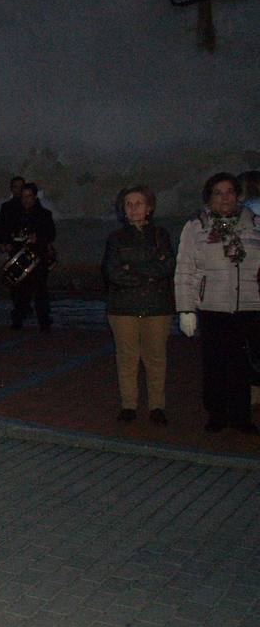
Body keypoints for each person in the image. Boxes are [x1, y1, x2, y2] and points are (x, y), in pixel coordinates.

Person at [175, 172, 260, 433]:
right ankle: (217, 414)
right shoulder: (197, 226)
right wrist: (186, 309)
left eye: (230, 192)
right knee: (215, 364)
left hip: (248, 306)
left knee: (243, 365)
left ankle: (242, 416)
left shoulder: (254, 223)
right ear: (209, 198)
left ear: (238, 195)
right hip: (213, 306)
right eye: (218, 193)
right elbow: (185, 269)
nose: (225, 198)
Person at [102, 186, 175, 425]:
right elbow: (113, 272)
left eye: (138, 203)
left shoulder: (160, 235)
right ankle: (129, 405)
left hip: (156, 305)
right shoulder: (116, 238)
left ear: (149, 207)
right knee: (127, 357)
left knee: (156, 357)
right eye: (128, 204)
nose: (133, 209)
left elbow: (166, 266)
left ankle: (157, 406)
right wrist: (148, 272)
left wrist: (132, 267)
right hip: (123, 306)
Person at [0, 182, 55, 330]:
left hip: (37, 258)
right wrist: (6, 243)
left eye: (29, 196)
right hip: (19, 256)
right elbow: (5, 231)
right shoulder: (14, 214)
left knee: (40, 290)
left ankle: (44, 321)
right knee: (18, 290)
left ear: (34, 197)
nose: (26, 200)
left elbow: (51, 234)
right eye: (23, 197)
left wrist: (38, 238)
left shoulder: (45, 214)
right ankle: (18, 319)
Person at [0, 176, 26, 255]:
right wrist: (4, 242)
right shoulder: (6, 207)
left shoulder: (30, 206)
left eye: (21, 187)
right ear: (11, 189)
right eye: (16, 187)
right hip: (11, 245)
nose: (18, 190)